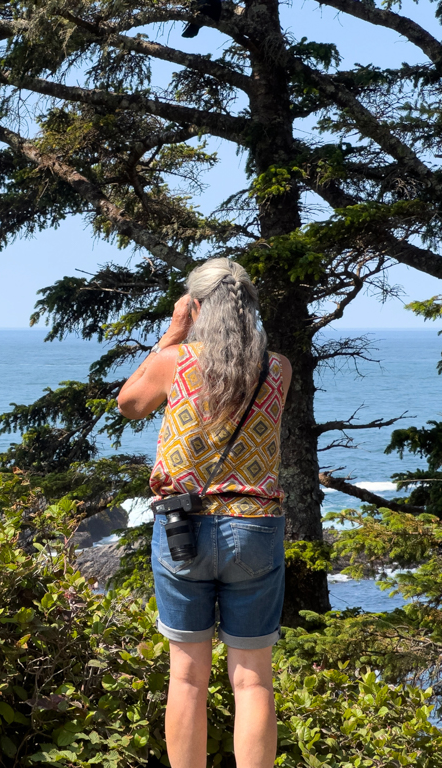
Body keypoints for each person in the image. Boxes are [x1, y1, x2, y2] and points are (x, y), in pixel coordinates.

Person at [116, 258, 292, 768]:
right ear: (250, 307)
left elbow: (129, 404)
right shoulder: (277, 368)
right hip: (256, 527)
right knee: (254, 679)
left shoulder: (177, 361)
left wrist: (172, 333)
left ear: (195, 307)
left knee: (187, 677)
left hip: (182, 528)